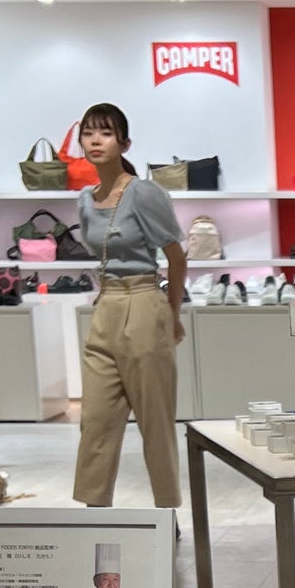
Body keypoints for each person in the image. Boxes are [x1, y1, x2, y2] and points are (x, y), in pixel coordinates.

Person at [70, 101, 186, 507]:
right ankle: (94, 510)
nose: (95, 140)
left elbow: (176, 257)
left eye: (105, 133)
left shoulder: (144, 193)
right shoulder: (86, 200)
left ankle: (166, 512)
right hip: (106, 305)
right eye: (88, 133)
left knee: (155, 420)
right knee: (95, 419)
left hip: (143, 302)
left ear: (124, 142)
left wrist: (172, 315)